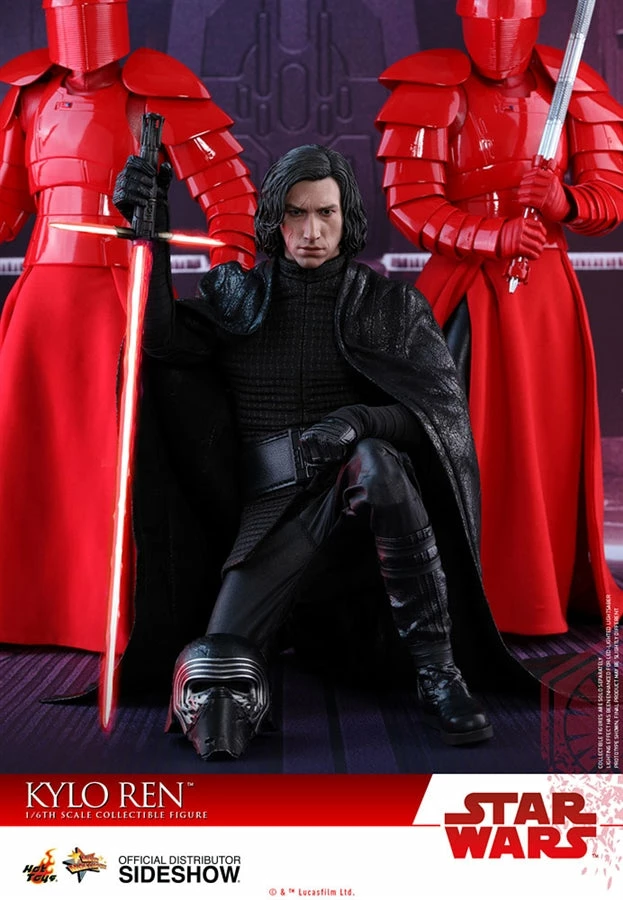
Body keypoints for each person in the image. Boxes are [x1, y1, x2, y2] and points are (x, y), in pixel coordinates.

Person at [113, 142, 541, 761]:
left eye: (326, 213)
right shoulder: (240, 299)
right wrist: (150, 237)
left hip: (366, 526)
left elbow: (436, 418)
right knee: (217, 681)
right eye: (296, 213)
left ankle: (439, 673)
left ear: (347, 218)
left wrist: (356, 420)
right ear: (274, 219)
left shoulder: (390, 306)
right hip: (273, 522)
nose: (311, 231)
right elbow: (158, 340)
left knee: (376, 461)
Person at [0, 0, 256, 653]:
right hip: (41, 303)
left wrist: (229, 276)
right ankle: (27, 612)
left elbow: (232, 199)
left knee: (120, 466)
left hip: (122, 296)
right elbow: (5, 210)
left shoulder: (156, 91)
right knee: (29, 459)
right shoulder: (29, 97)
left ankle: (114, 616)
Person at [375, 0, 623, 636]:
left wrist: (565, 200)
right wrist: (493, 235)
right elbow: (411, 204)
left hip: (544, 292)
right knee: (458, 440)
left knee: (547, 438)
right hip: (463, 287)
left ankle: (540, 588)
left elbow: (610, 196)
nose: (498, 35)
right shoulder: (434, 86)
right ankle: (455, 596)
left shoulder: (570, 84)